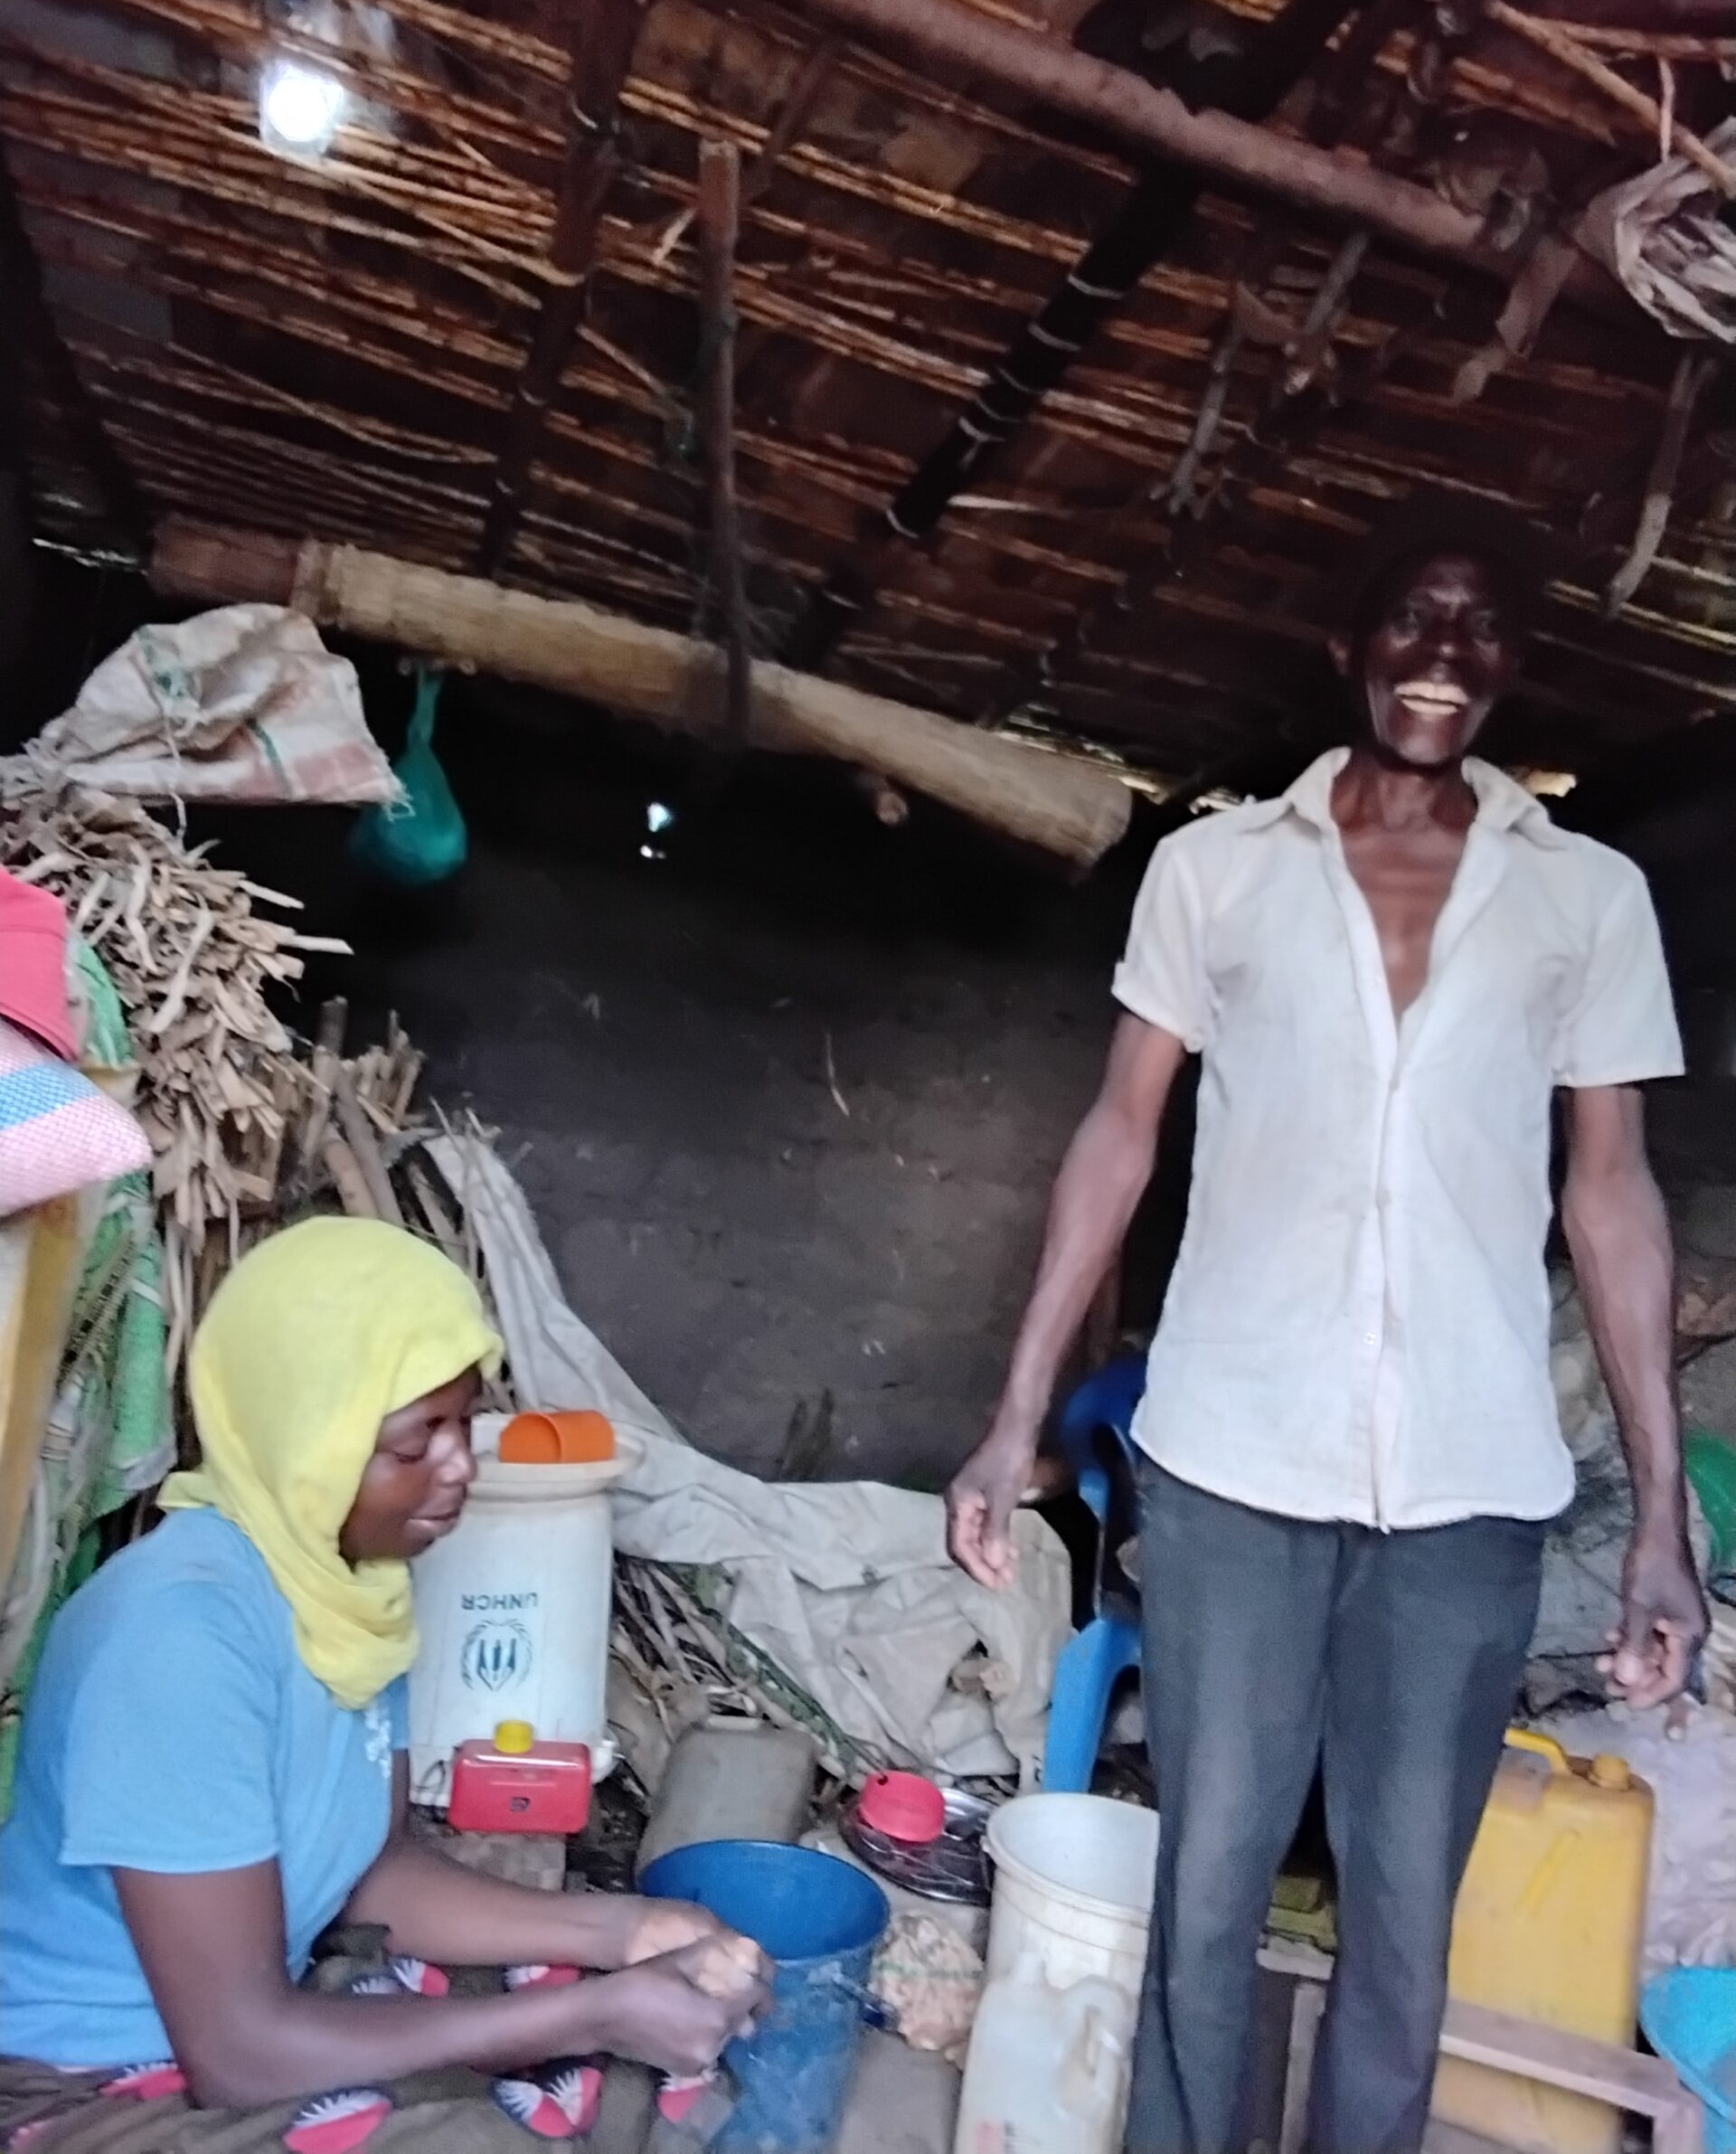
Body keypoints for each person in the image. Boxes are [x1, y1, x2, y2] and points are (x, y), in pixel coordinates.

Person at [945, 499, 1707, 2154]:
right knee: (1210, 1883)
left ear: (1514, 664)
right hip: (1233, 1460)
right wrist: (1014, 1421)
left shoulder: (1587, 899)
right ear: (1351, 644)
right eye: (1413, 618)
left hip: (1470, 1485)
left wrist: (1665, 1514)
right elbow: (1119, 1137)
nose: (1443, 657)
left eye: (1480, 627)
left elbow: (1613, 1198)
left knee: (1404, 1919)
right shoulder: (1216, 872)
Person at [0, 1218, 770, 2153]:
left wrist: (624, 1930)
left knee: (655, 2069)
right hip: (85, 2078)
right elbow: (238, 2054)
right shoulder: (178, 1640)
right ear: (307, 1442)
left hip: (262, 2011)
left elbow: (371, 1871)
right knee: (497, 2129)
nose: (460, 1467)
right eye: (414, 1444)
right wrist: (593, 2013)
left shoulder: (347, 1592)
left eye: (463, 1424)